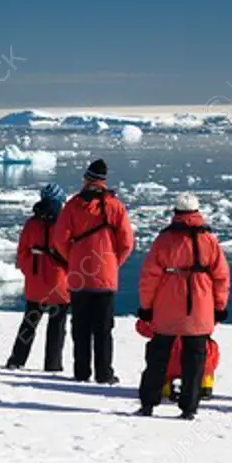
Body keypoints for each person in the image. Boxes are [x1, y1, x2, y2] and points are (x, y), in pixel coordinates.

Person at [135, 192, 229, 419]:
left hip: (167, 307)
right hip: (200, 306)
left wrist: (146, 307)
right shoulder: (209, 240)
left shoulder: (165, 239)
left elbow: (149, 276)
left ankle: (148, 403)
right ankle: (189, 407)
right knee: (195, 359)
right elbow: (221, 276)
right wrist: (219, 307)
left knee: (158, 356)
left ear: (175, 213)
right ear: (197, 212)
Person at [54, 159, 134, 385]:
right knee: (103, 329)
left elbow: (60, 239)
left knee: (80, 327)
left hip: (79, 276)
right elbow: (127, 242)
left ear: (86, 178)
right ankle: (104, 373)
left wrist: (74, 259)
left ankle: (81, 372)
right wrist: (112, 263)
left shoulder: (73, 205)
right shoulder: (115, 206)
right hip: (105, 278)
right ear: (104, 180)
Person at [6, 183, 70, 371]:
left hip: (36, 280)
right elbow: (70, 253)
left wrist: (30, 271)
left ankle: (16, 360)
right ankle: (53, 364)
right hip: (60, 281)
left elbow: (22, 253)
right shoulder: (64, 224)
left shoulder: (32, 223)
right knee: (57, 325)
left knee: (30, 322)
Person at [134, 320, 221, 403]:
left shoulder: (160, 309)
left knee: (159, 352)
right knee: (208, 347)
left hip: (168, 360)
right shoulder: (203, 308)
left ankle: (165, 386)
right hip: (198, 360)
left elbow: (143, 328)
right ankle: (205, 383)